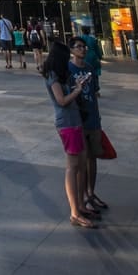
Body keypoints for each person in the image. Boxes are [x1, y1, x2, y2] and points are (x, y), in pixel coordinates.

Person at [42, 41, 96, 228]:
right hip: (66, 123)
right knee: (72, 167)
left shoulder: (61, 75)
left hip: (75, 121)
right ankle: (74, 212)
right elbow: (61, 100)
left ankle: (80, 204)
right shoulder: (53, 76)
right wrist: (77, 91)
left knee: (81, 164)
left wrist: (77, 86)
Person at [69, 36, 108, 217]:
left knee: (92, 158)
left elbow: (94, 93)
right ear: (72, 50)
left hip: (92, 119)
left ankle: (90, 193)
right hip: (77, 120)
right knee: (80, 161)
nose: (83, 50)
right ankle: (83, 197)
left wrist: (98, 117)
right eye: (79, 47)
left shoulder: (91, 69)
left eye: (84, 47)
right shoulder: (68, 70)